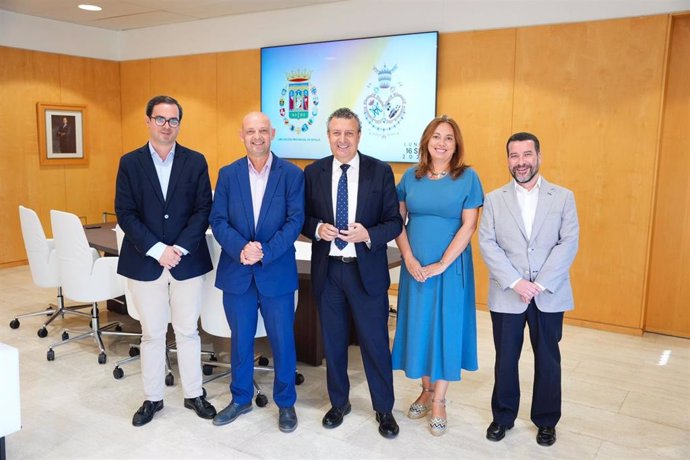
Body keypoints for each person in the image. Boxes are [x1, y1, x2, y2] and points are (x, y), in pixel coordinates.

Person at [115, 95, 216, 427]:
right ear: (147, 120)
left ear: (179, 124)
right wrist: (159, 250)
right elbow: (126, 213)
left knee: (188, 331)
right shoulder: (130, 162)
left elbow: (204, 210)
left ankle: (194, 394)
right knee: (152, 333)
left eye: (173, 120)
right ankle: (152, 398)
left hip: (187, 261)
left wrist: (179, 249)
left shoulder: (195, 161)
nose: (166, 126)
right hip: (146, 262)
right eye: (160, 119)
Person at [303, 107, 403, 439]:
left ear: (359, 136)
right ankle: (339, 403)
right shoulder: (314, 172)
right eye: (336, 133)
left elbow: (394, 221)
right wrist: (318, 228)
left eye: (349, 133)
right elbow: (302, 218)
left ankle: (384, 409)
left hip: (366, 272)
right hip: (329, 271)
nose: (342, 139)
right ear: (328, 136)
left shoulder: (380, 171)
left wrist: (368, 234)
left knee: (375, 344)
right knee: (333, 344)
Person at [478, 132, 579, 446]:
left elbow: (568, 243)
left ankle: (547, 421)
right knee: (505, 358)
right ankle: (503, 417)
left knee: (548, 359)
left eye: (526, 155)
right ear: (508, 159)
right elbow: (487, 243)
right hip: (507, 293)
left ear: (538, 156)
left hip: (549, 293)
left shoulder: (563, 197)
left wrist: (538, 284)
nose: (520, 162)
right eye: (514, 156)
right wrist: (516, 282)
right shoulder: (494, 199)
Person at [209, 112, 304, 433]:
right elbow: (218, 220)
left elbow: (295, 221)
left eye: (262, 130)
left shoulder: (291, 174)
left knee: (283, 341)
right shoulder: (227, 174)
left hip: (275, 271)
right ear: (242, 135)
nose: (257, 136)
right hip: (238, 272)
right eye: (251, 131)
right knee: (241, 341)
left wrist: (264, 250)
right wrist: (241, 248)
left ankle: (286, 403)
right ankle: (240, 399)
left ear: (272, 133)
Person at [391, 115, 483, 436]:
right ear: (426, 142)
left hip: (449, 268)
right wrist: (408, 257)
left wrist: (442, 264)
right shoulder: (410, 178)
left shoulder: (468, 178)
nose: (441, 143)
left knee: (446, 328)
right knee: (420, 327)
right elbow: (397, 222)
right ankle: (426, 389)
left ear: (456, 145)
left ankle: (440, 399)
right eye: (436, 137)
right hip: (415, 268)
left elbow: (469, 226)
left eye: (448, 138)